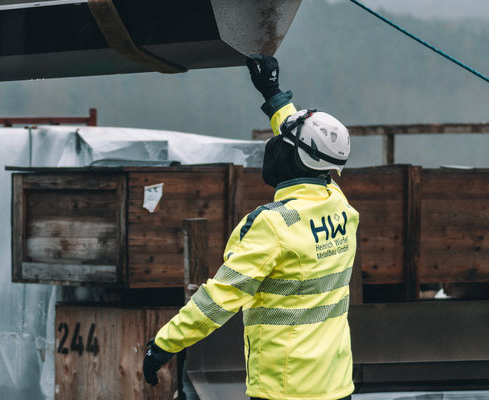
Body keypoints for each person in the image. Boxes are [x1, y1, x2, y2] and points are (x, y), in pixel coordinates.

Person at [142, 54, 358, 400]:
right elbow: (310, 148)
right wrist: (273, 95)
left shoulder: (273, 224)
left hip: (285, 388)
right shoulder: (339, 205)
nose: (275, 147)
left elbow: (219, 298)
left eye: (283, 143)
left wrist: (163, 346)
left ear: (293, 156)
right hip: (335, 384)